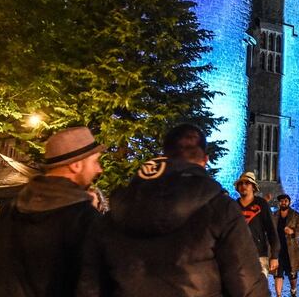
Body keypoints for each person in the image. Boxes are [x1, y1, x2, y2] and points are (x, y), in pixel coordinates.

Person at [76, 124, 268, 297]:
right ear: (205, 160)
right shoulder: (220, 208)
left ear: (165, 155)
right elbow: (247, 284)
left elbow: (91, 285)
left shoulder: (121, 209)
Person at [0, 127, 105, 297]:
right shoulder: (84, 219)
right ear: (76, 165)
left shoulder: (9, 211)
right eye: (95, 162)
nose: (99, 169)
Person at [236, 171, 280, 281]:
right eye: (241, 183)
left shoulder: (261, 204)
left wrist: (274, 256)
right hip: (238, 257)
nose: (244, 186)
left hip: (259, 255)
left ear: (253, 187)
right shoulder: (233, 206)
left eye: (247, 183)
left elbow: (271, 231)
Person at [272, 194, 299, 297]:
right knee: (278, 274)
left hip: (291, 250)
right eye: (281, 201)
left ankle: (293, 289)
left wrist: (293, 231)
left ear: (289, 202)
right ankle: (278, 295)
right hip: (277, 250)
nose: (283, 202)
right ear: (279, 203)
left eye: (285, 201)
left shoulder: (296, 215)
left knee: (292, 275)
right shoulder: (274, 215)